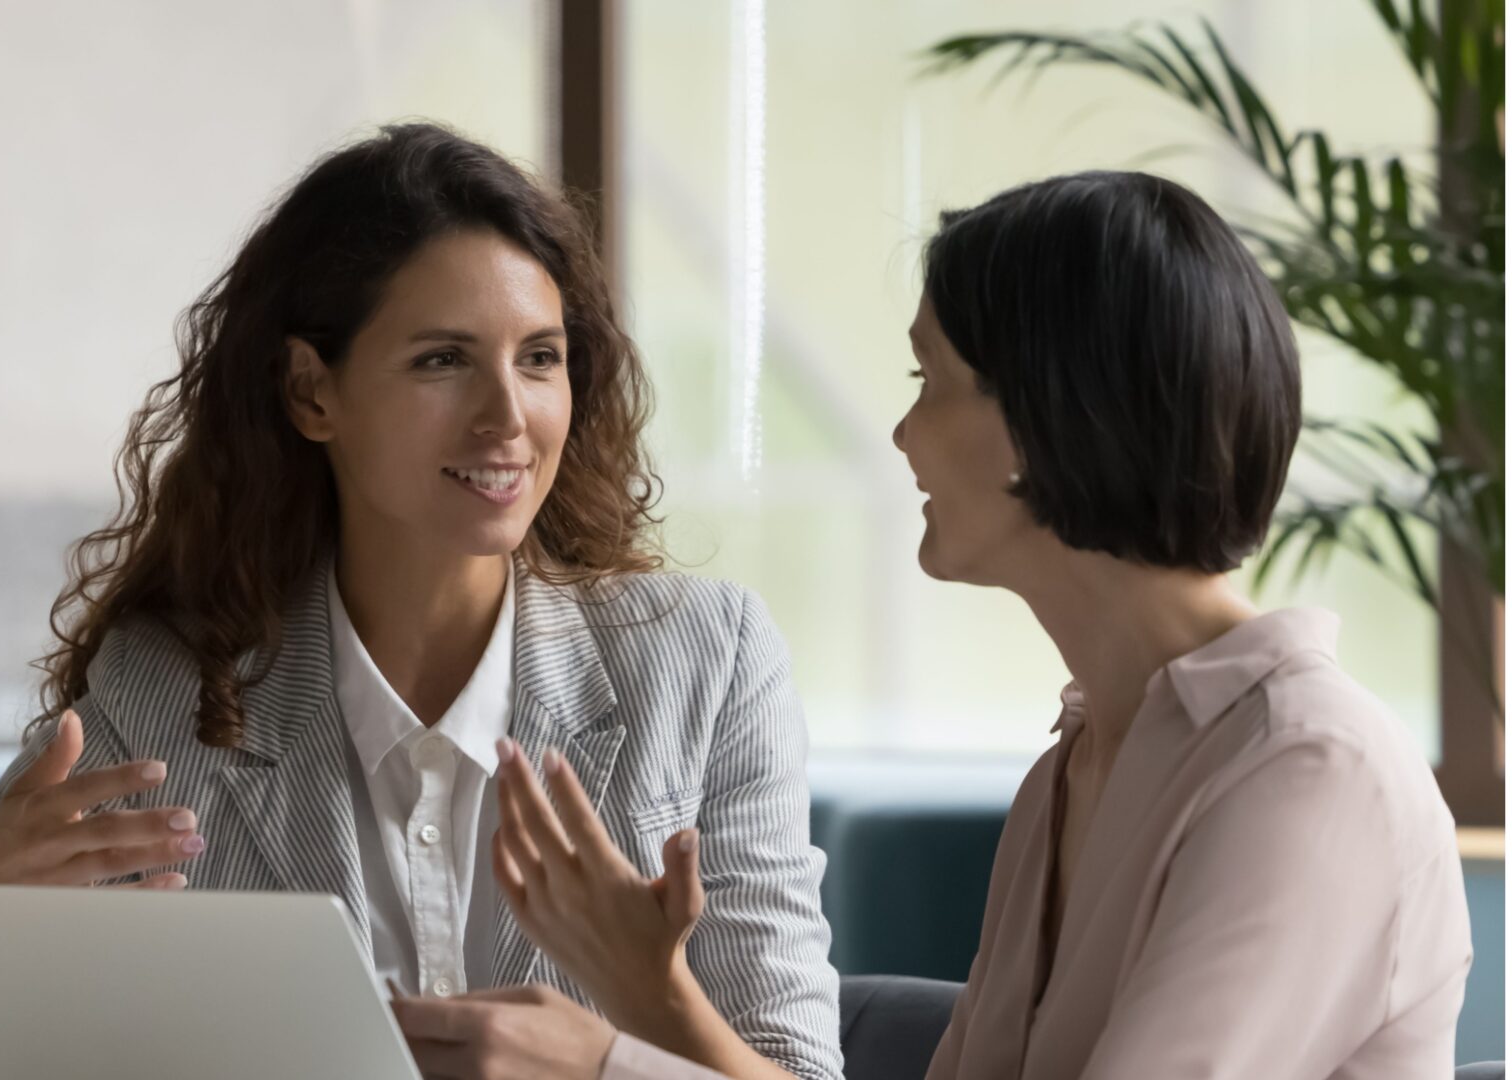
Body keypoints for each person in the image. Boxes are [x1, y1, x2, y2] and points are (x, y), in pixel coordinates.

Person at [0, 123, 843, 1080]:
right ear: (312, 391)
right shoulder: (169, 693)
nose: (508, 416)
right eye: (442, 361)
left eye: (541, 358)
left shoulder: (706, 659)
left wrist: (630, 1035)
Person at [399, 170, 1473, 1079]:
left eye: (932, 381)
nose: (904, 433)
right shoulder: (1077, 766)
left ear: (1051, 418)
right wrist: (656, 999)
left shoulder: (1307, 771)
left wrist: (608, 1063)